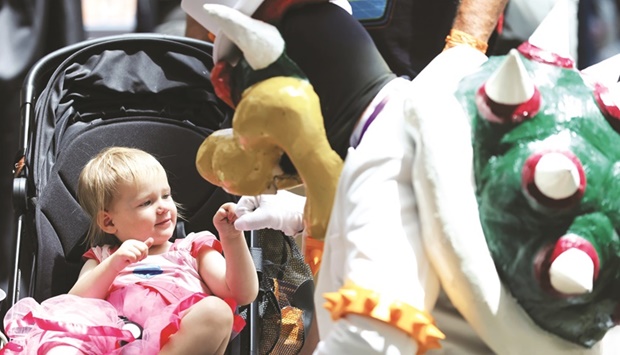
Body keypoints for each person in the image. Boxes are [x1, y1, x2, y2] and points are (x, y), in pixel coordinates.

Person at [2, 146, 258, 354]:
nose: (163, 207)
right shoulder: (104, 257)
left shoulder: (191, 248)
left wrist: (232, 238)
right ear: (109, 222)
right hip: (111, 340)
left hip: (173, 343)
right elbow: (73, 304)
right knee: (62, 342)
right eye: (147, 202)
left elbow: (241, 294)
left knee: (217, 311)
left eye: (166, 196)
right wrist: (114, 265)